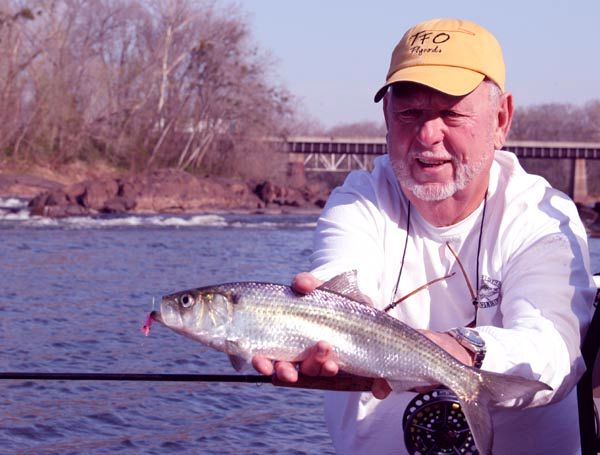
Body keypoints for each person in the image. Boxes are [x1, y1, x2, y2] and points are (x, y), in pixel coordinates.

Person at [253, 18, 597, 454]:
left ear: (501, 119)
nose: (428, 134)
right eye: (410, 113)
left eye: (452, 113)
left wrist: (459, 349)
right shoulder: (358, 201)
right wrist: (307, 332)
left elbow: (552, 354)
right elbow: (338, 285)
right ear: (386, 117)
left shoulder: (542, 219)